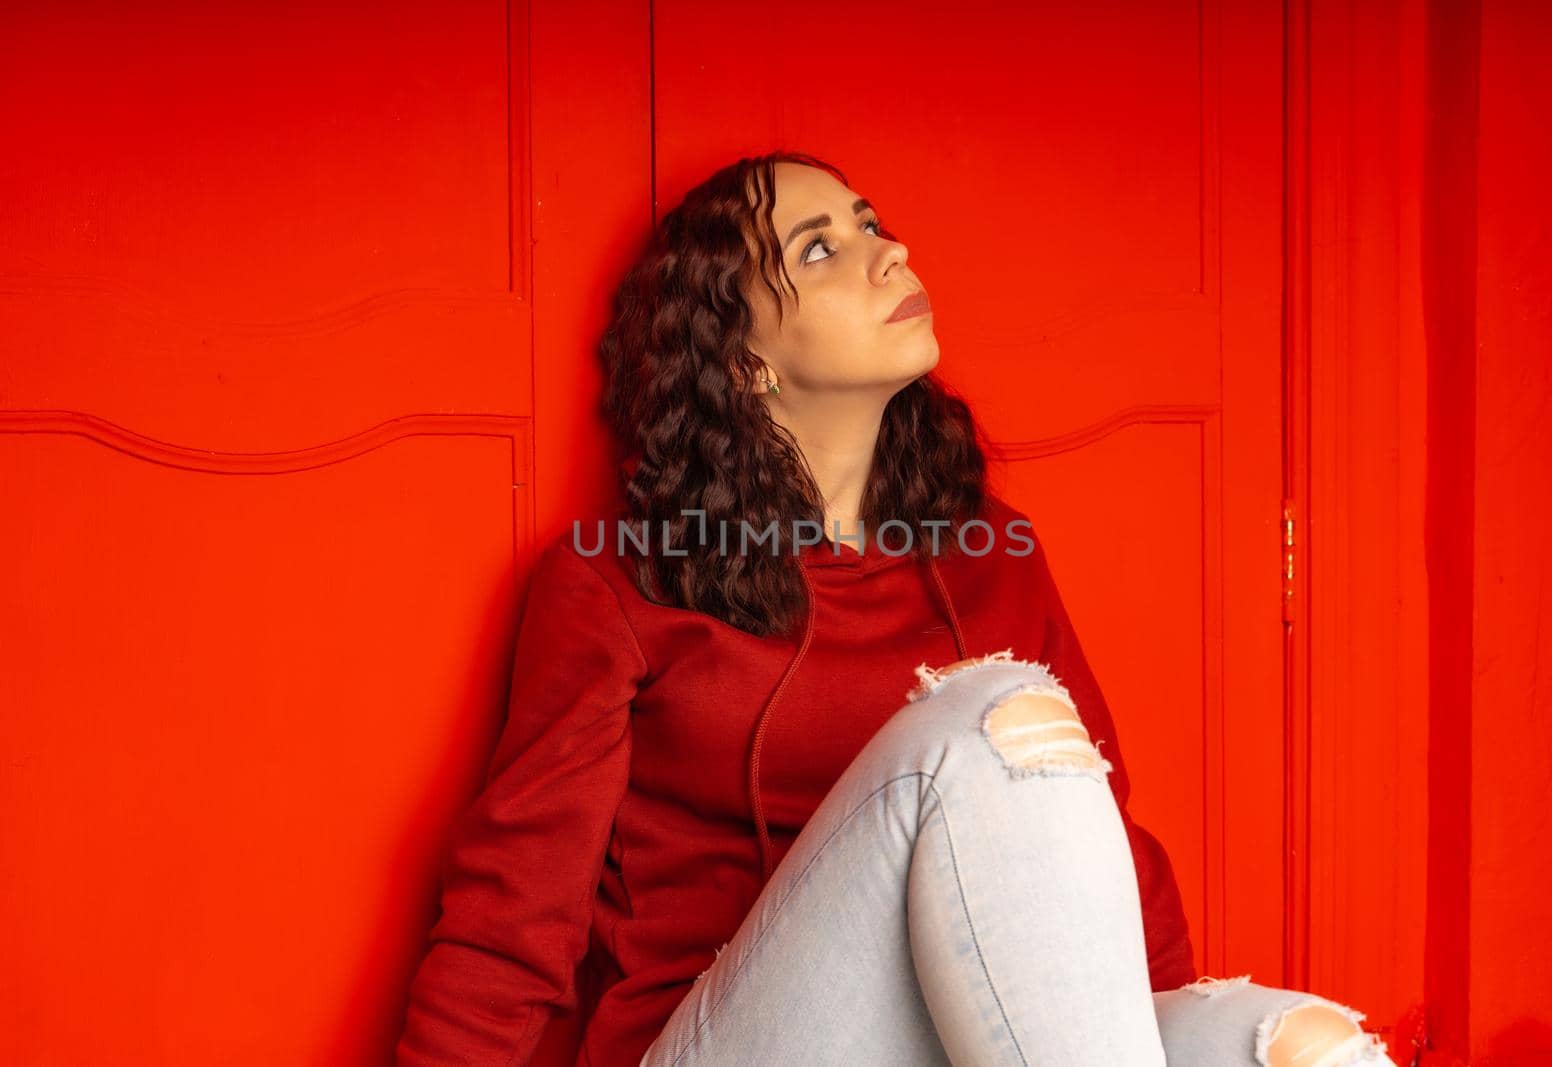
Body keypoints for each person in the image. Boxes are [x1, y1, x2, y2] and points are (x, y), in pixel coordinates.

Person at [395, 152, 1397, 1067]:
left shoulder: (987, 552)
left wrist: (1155, 1019)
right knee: (993, 712)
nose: (889, 252)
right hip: (723, 1041)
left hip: (958, 1036)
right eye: (822, 246)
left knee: (1307, 1046)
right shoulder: (615, 581)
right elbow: (513, 911)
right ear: (745, 359)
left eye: (871, 225)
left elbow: (1101, 840)